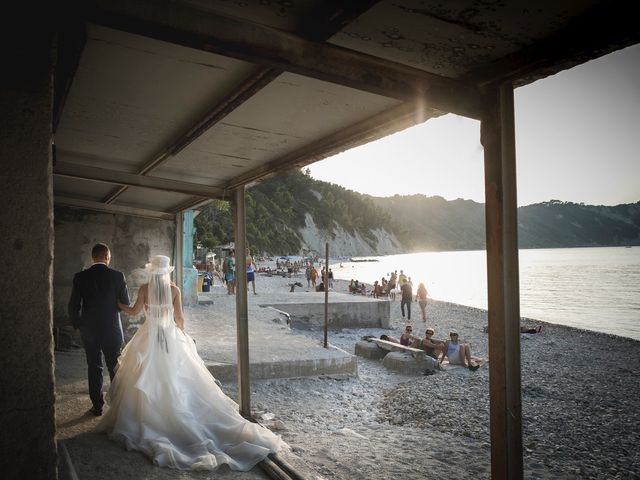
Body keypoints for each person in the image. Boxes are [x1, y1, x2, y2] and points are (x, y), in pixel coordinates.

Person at [98, 255, 282, 471]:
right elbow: (180, 318)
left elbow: (133, 311)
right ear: (167, 271)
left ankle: (151, 417)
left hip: (148, 337)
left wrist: (118, 304)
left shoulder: (145, 289)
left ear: (152, 271)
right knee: (176, 377)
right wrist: (182, 334)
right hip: (169, 335)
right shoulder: (174, 290)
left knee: (146, 377)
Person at [68, 243, 130, 416]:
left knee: (94, 366)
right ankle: (118, 406)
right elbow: (125, 303)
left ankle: (97, 407)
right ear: (107, 257)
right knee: (114, 367)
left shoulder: (80, 277)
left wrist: (78, 324)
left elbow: (73, 305)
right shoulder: (118, 276)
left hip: (89, 330)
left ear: (92, 257)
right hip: (112, 329)